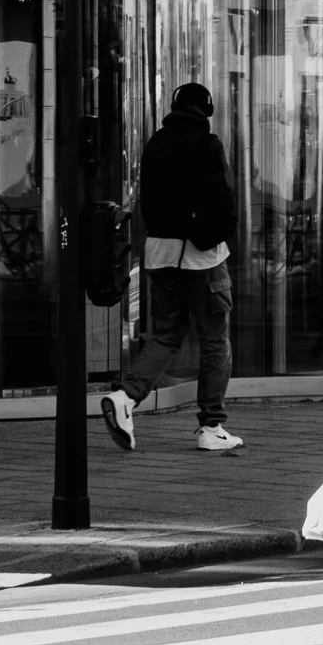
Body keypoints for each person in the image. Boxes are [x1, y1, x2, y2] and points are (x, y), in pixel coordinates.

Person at [101, 77, 240, 455]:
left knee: (166, 334)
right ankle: (211, 425)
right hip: (200, 257)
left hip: (159, 253)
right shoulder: (208, 144)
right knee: (215, 340)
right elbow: (222, 200)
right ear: (206, 110)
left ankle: (126, 398)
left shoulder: (155, 144)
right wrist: (219, 233)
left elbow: (148, 202)